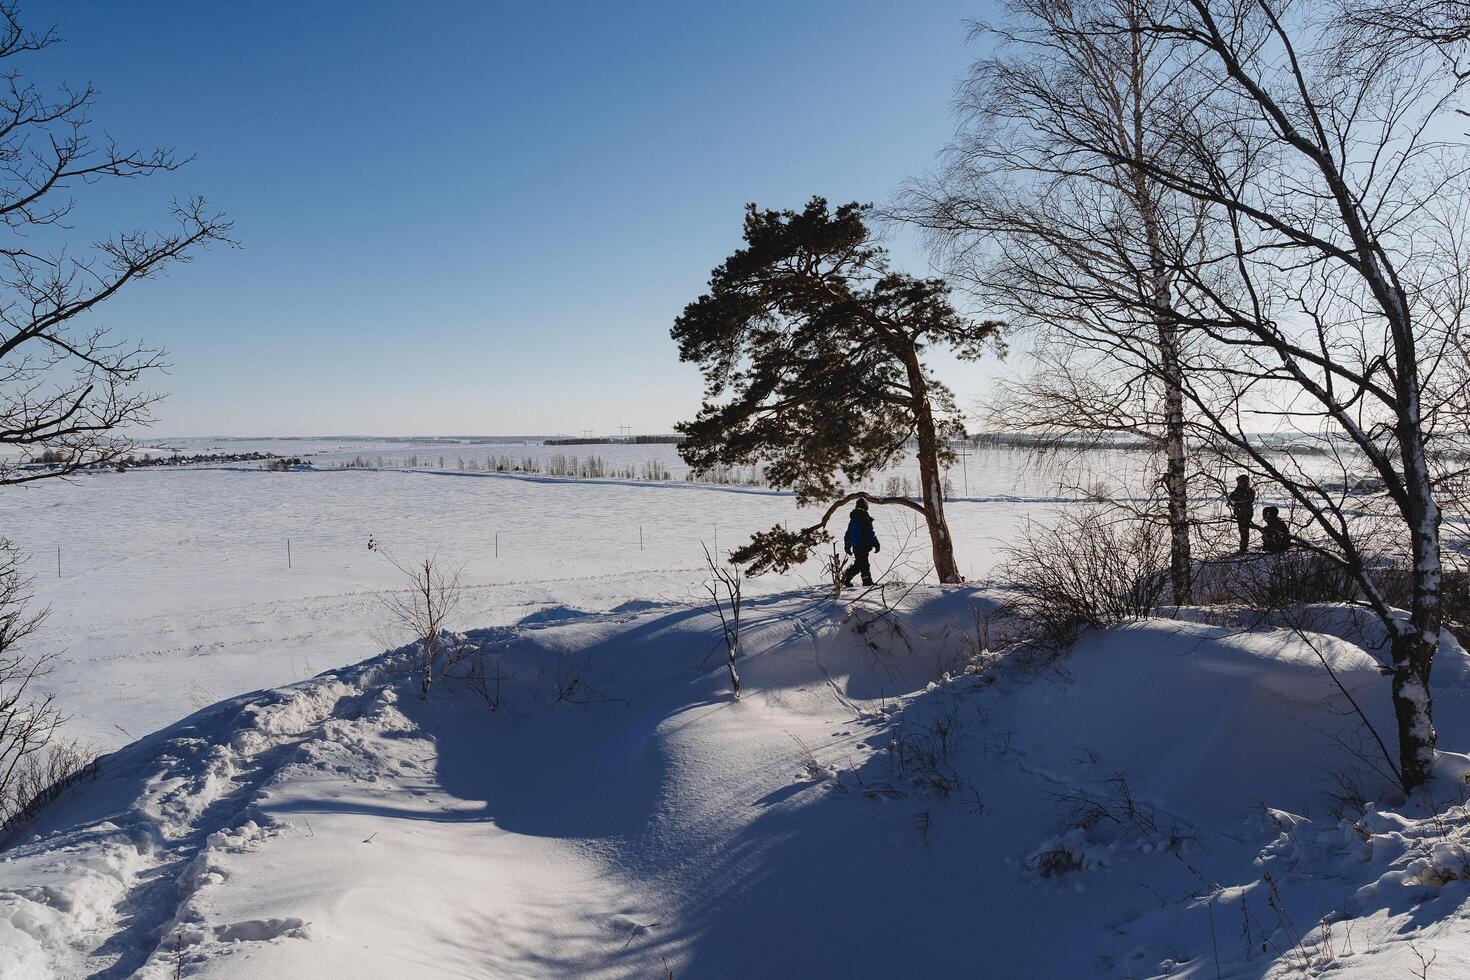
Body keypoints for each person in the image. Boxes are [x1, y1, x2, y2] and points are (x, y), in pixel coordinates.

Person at [841, 497, 880, 587]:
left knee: (860, 564)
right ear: (866, 507)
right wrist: (876, 543)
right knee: (862, 565)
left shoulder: (853, 520)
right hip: (863, 546)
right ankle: (865, 582)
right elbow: (870, 533)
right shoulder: (865, 519)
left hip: (856, 547)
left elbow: (848, 534)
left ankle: (847, 579)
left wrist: (847, 545)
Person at [1227, 474, 1256, 554]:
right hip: (1239, 513)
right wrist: (1232, 502)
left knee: (1244, 530)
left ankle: (1243, 548)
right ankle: (1243, 547)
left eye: (1240, 481)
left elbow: (1248, 500)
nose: (1239, 483)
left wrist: (1236, 501)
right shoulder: (1237, 490)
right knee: (1241, 530)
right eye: (1238, 481)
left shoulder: (1249, 491)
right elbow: (1231, 497)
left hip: (1246, 513)